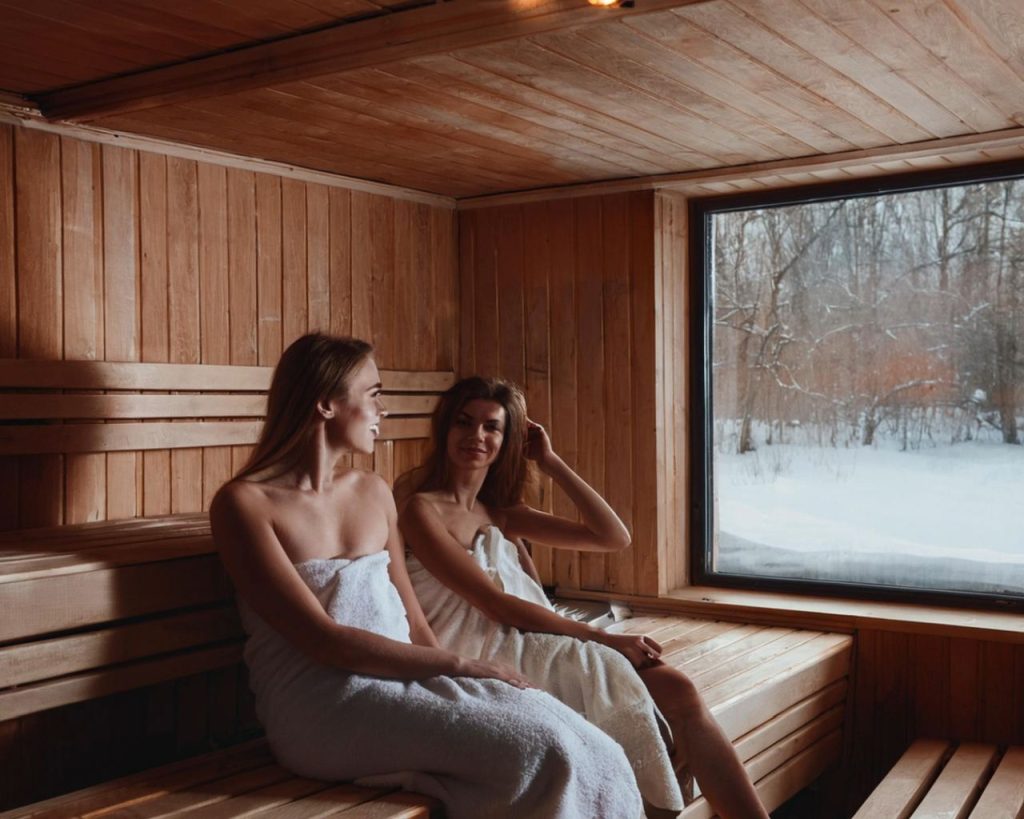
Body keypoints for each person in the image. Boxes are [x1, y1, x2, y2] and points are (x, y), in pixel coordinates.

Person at [210, 334, 644, 819]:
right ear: (326, 403)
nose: (383, 409)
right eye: (374, 394)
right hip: (323, 703)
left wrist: (455, 676)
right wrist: (460, 666)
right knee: (544, 749)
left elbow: (413, 620)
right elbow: (324, 641)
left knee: (595, 745)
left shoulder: (372, 492)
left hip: (408, 680)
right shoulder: (244, 505)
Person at [397, 376, 771, 819]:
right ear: (445, 429)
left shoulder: (500, 513)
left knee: (678, 691)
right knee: (670, 692)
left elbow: (613, 536)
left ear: (507, 439)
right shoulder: (421, 509)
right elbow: (494, 604)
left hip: (524, 635)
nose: (476, 435)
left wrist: (551, 461)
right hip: (483, 648)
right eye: (464, 422)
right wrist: (604, 638)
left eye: (492, 426)